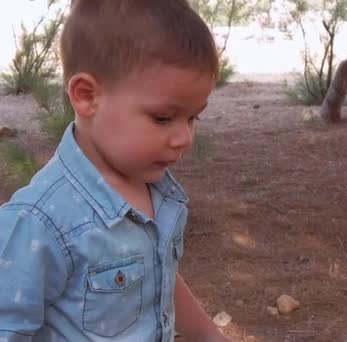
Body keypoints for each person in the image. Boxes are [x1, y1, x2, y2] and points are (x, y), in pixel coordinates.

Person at [0, 0, 228, 341]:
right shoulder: (39, 221)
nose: (184, 139)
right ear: (87, 96)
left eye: (193, 117)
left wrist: (209, 335)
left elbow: (158, 277)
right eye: (163, 118)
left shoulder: (154, 188)